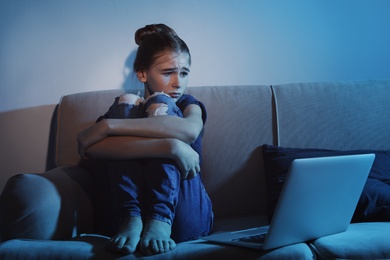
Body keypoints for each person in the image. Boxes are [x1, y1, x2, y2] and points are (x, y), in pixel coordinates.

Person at [77, 24, 213, 256]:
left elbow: (188, 131)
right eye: (168, 72)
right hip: (128, 222)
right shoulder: (121, 112)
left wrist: (109, 129)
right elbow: (90, 149)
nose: (178, 82)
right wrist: (169, 147)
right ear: (142, 74)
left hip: (186, 214)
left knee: (163, 105)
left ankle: (161, 218)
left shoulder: (187, 104)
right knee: (127, 102)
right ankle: (132, 216)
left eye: (184, 73)